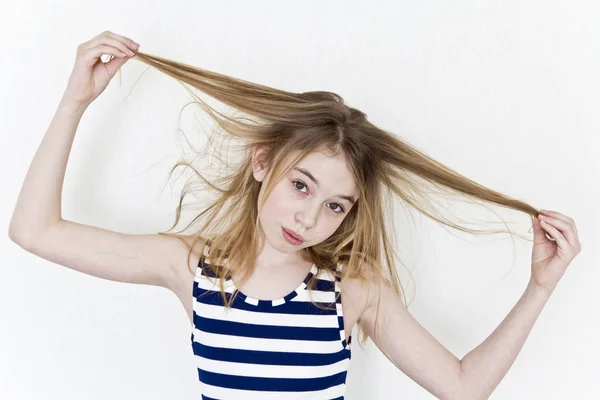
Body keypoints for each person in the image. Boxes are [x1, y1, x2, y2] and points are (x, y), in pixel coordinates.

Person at [8, 31, 582, 400]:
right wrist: (74, 102)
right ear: (263, 163)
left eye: (335, 204)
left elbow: (462, 388)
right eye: (300, 185)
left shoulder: (352, 290)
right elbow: (33, 231)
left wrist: (539, 288)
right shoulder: (192, 267)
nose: (309, 217)